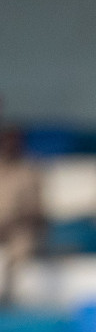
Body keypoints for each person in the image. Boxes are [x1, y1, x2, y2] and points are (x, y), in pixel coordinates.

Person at [0, 124, 43, 304]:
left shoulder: (29, 170)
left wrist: (15, 220)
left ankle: (9, 302)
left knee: (20, 247)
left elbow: (36, 210)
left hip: (19, 229)